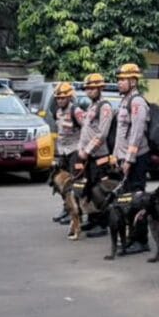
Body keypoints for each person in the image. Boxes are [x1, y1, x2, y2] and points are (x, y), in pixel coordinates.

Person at [76, 72, 116, 236]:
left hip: (99, 157)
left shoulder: (105, 107)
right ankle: (93, 220)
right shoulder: (91, 107)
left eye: (92, 88)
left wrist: (87, 150)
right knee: (90, 189)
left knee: (101, 191)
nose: (89, 92)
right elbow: (85, 131)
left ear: (100, 88)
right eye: (87, 89)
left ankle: (102, 224)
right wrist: (80, 148)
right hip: (88, 157)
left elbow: (102, 134)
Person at [113, 62, 151, 195]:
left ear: (133, 82)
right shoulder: (125, 101)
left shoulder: (137, 102)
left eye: (123, 80)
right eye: (118, 80)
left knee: (136, 196)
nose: (119, 83)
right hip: (125, 157)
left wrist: (129, 159)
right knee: (125, 196)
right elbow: (121, 133)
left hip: (137, 158)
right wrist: (116, 155)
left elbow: (136, 133)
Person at [52, 81, 86, 223]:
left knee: (75, 183)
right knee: (62, 184)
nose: (60, 100)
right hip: (62, 152)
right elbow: (60, 133)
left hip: (74, 151)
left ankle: (77, 213)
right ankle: (67, 209)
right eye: (58, 98)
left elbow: (86, 129)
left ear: (69, 97)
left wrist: (83, 149)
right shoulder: (58, 112)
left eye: (63, 98)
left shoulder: (76, 111)